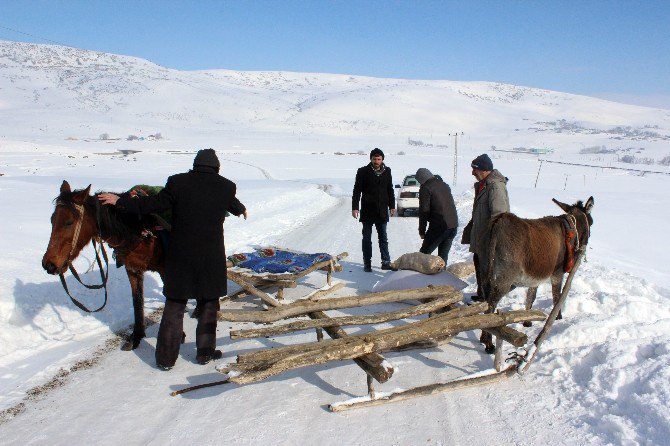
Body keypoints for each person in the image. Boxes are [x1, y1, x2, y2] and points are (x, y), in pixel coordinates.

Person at [98, 149, 247, 370]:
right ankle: (205, 353)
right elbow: (231, 204)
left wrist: (120, 201)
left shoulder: (177, 183)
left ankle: (165, 360)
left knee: (175, 306)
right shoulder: (226, 186)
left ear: (195, 166)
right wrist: (241, 209)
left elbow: (150, 205)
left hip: (181, 256)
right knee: (208, 304)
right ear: (216, 168)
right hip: (210, 256)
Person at [461, 153, 509, 301]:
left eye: (474, 170)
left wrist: (493, 239)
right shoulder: (484, 185)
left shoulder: (495, 187)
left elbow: (500, 215)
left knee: (488, 269)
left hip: (489, 238)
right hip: (481, 237)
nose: (472, 173)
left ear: (483, 170)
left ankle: (489, 300)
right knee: (480, 265)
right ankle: (483, 295)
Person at [352, 147, 396, 272]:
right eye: (374, 159)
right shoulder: (363, 171)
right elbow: (357, 191)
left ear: (382, 160)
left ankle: (386, 261)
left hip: (382, 211)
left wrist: (392, 206)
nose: (376, 161)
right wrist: (355, 207)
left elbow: (390, 190)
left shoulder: (387, 171)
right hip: (367, 210)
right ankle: (367, 263)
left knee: (383, 237)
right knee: (367, 238)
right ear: (371, 159)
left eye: (379, 159)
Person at [415, 168, 458, 266]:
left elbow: (424, 211)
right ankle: (442, 279)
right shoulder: (444, 184)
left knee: (423, 256)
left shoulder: (426, 188)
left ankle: (417, 279)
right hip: (453, 225)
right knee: (442, 258)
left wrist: (422, 231)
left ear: (421, 179)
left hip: (440, 226)